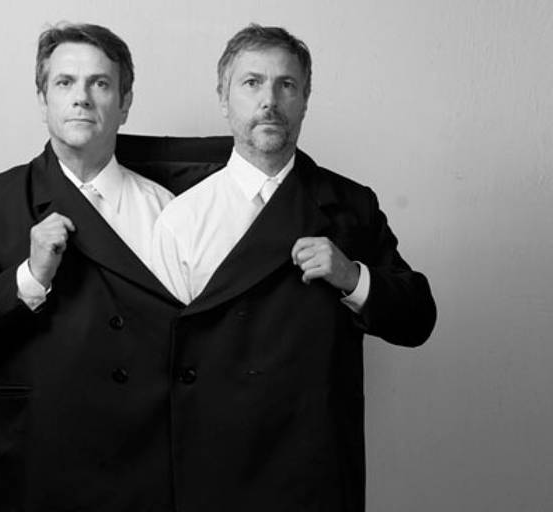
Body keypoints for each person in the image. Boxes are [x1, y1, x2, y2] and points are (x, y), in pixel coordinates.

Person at [152, 24, 437, 511]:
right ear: (223, 98)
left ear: (305, 99)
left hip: (315, 469)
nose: (270, 100)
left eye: (286, 84)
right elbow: (157, 358)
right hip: (211, 466)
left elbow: (418, 320)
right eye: (252, 83)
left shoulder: (350, 205)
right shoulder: (183, 217)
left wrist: (352, 277)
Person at [0, 23, 181, 511]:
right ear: (43, 100)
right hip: (34, 467)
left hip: (144, 470)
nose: (81, 98)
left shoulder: (166, 207)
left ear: (125, 103)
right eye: (65, 83)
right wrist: (30, 277)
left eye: (100, 83)